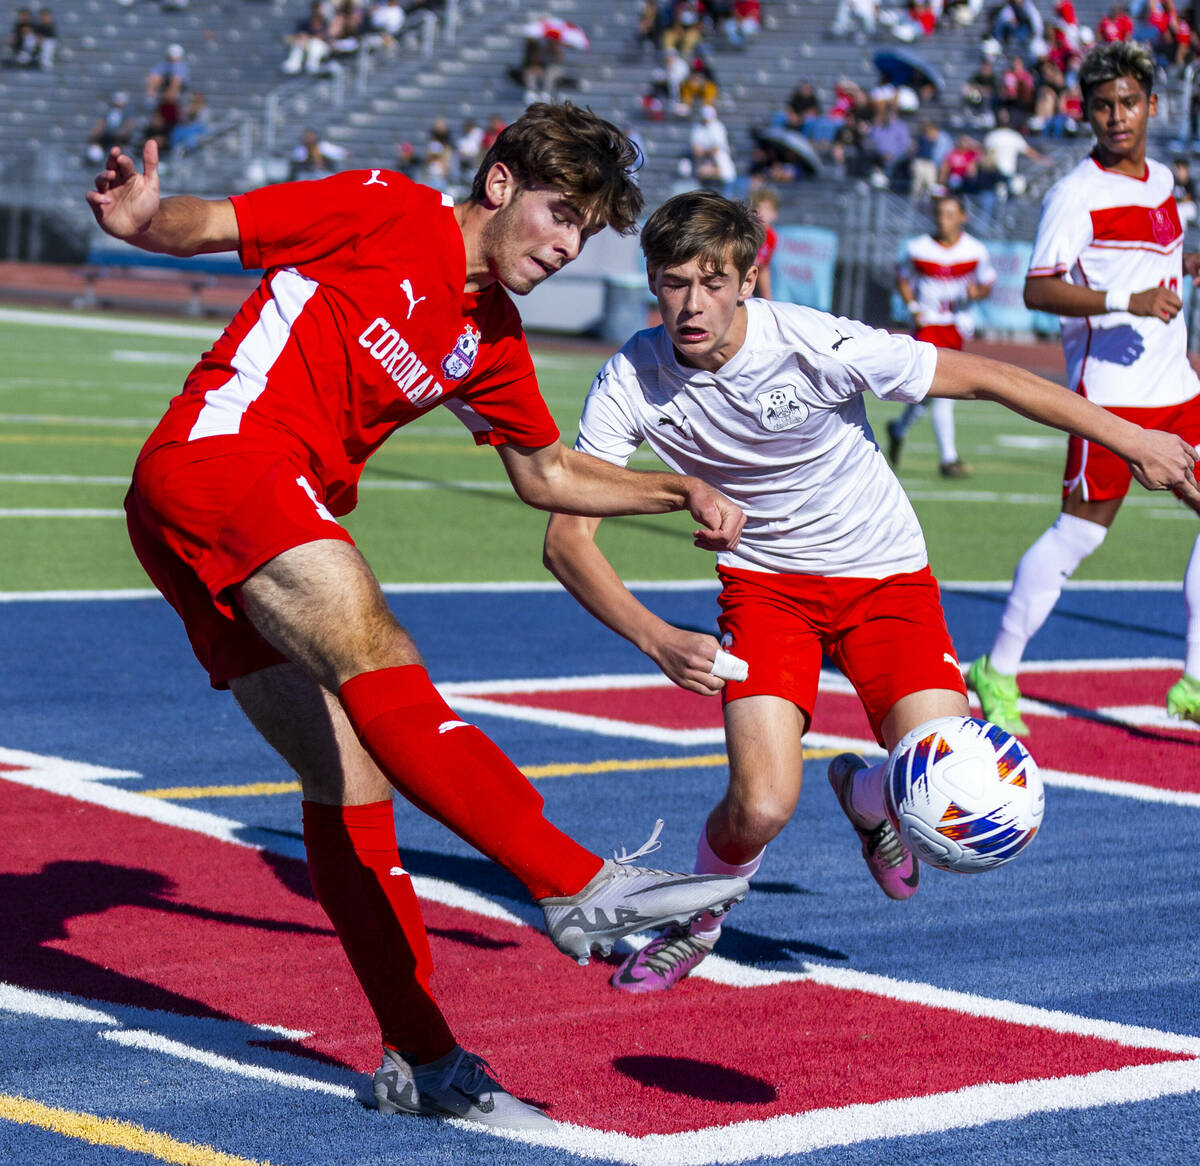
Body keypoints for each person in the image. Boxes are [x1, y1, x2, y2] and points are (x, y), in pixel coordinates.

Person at [85, 103, 749, 1129]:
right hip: (222, 459)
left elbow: (548, 474)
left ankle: (424, 1059)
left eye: (584, 231)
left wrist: (679, 489)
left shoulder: (492, 336)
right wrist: (142, 218)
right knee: (374, 645)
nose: (567, 245)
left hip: (199, 517)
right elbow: (212, 223)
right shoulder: (381, 207)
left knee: (346, 775)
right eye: (559, 213)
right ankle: (576, 882)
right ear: (498, 185)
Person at [541, 189, 1198, 994]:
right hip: (766, 592)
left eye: (714, 282)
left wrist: (1133, 440)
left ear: (751, 278)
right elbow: (565, 538)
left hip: (886, 580)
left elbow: (986, 376)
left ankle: (865, 793)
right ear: (652, 283)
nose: (692, 303)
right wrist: (655, 636)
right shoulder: (630, 380)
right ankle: (702, 920)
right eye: (674, 282)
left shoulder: (815, 343)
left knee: (948, 784)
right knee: (761, 808)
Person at [968, 41, 1200, 732]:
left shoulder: (1162, 179)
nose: (1116, 115)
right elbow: (1038, 290)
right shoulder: (1075, 194)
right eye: (1103, 105)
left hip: (1178, 385)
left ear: (1152, 105)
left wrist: (1184, 263)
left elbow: (1155, 260)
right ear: (1087, 112)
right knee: (1079, 535)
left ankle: (1193, 679)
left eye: (1128, 102)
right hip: (1110, 397)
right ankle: (997, 670)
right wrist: (1127, 299)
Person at [888, 193, 996, 477]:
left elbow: (987, 283)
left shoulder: (975, 250)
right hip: (929, 325)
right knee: (944, 390)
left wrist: (977, 293)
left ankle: (898, 429)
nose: (943, 221)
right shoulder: (918, 248)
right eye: (939, 214)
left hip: (956, 325)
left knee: (927, 395)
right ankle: (949, 459)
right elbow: (902, 276)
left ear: (963, 217)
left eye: (950, 214)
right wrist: (912, 307)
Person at [748, 185, 779, 299]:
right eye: (759, 208)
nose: (762, 213)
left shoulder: (772, 238)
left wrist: (768, 299)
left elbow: (763, 268)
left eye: (767, 209)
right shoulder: (747, 232)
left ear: (775, 214)